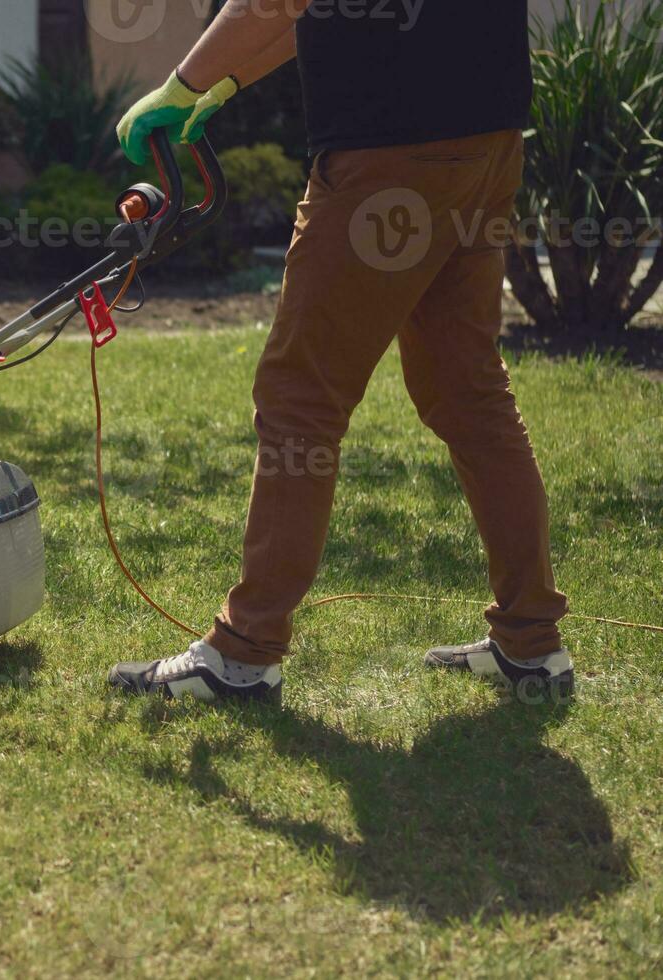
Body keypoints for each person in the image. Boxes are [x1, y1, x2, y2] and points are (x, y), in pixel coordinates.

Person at [105, 0, 573, 705]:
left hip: (387, 156)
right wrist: (223, 85)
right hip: (485, 140)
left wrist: (183, 82)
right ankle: (532, 644)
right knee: (468, 390)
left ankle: (243, 653)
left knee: (301, 397)